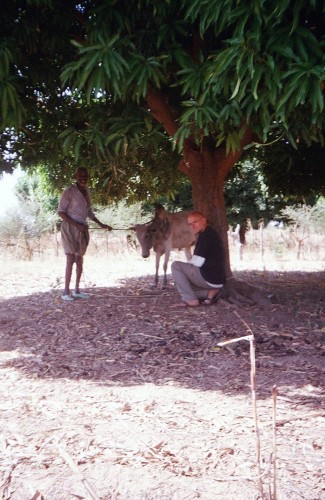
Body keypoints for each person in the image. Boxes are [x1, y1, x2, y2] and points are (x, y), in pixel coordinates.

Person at [57, 167, 112, 301]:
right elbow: (61, 212)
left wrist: (101, 224)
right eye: (80, 175)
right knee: (70, 259)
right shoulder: (69, 191)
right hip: (70, 229)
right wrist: (77, 225)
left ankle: (76, 290)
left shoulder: (87, 191)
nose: (83, 177)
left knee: (79, 260)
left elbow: (89, 212)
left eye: (85, 175)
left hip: (82, 229)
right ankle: (65, 292)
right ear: (76, 176)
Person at [171, 211, 226, 307]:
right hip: (217, 279)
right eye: (190, 224)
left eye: (194, 222)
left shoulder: (206, 236)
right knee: (180, 284)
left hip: (210, 277)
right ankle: (209, 293)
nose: (192, 226)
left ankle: (191, 299)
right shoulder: (208, 233)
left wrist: (187, 270)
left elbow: (197, 262)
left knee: (176, 266)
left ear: (203, 221)